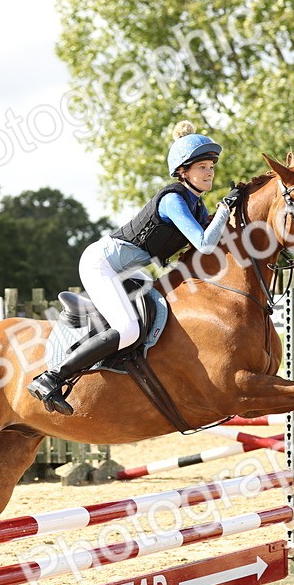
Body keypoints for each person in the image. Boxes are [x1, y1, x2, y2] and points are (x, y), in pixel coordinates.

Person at [28, 120, 241, 415]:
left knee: (159, 306)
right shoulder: (173, 200)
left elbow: (213, 237)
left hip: (129, 271)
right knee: (127, 329)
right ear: (183, 172)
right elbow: (204, 244)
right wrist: (225, 209)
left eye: (211, 167)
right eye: (202, 167)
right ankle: (52, 377)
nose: (209, 173)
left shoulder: (196, 205)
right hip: (102, 264)